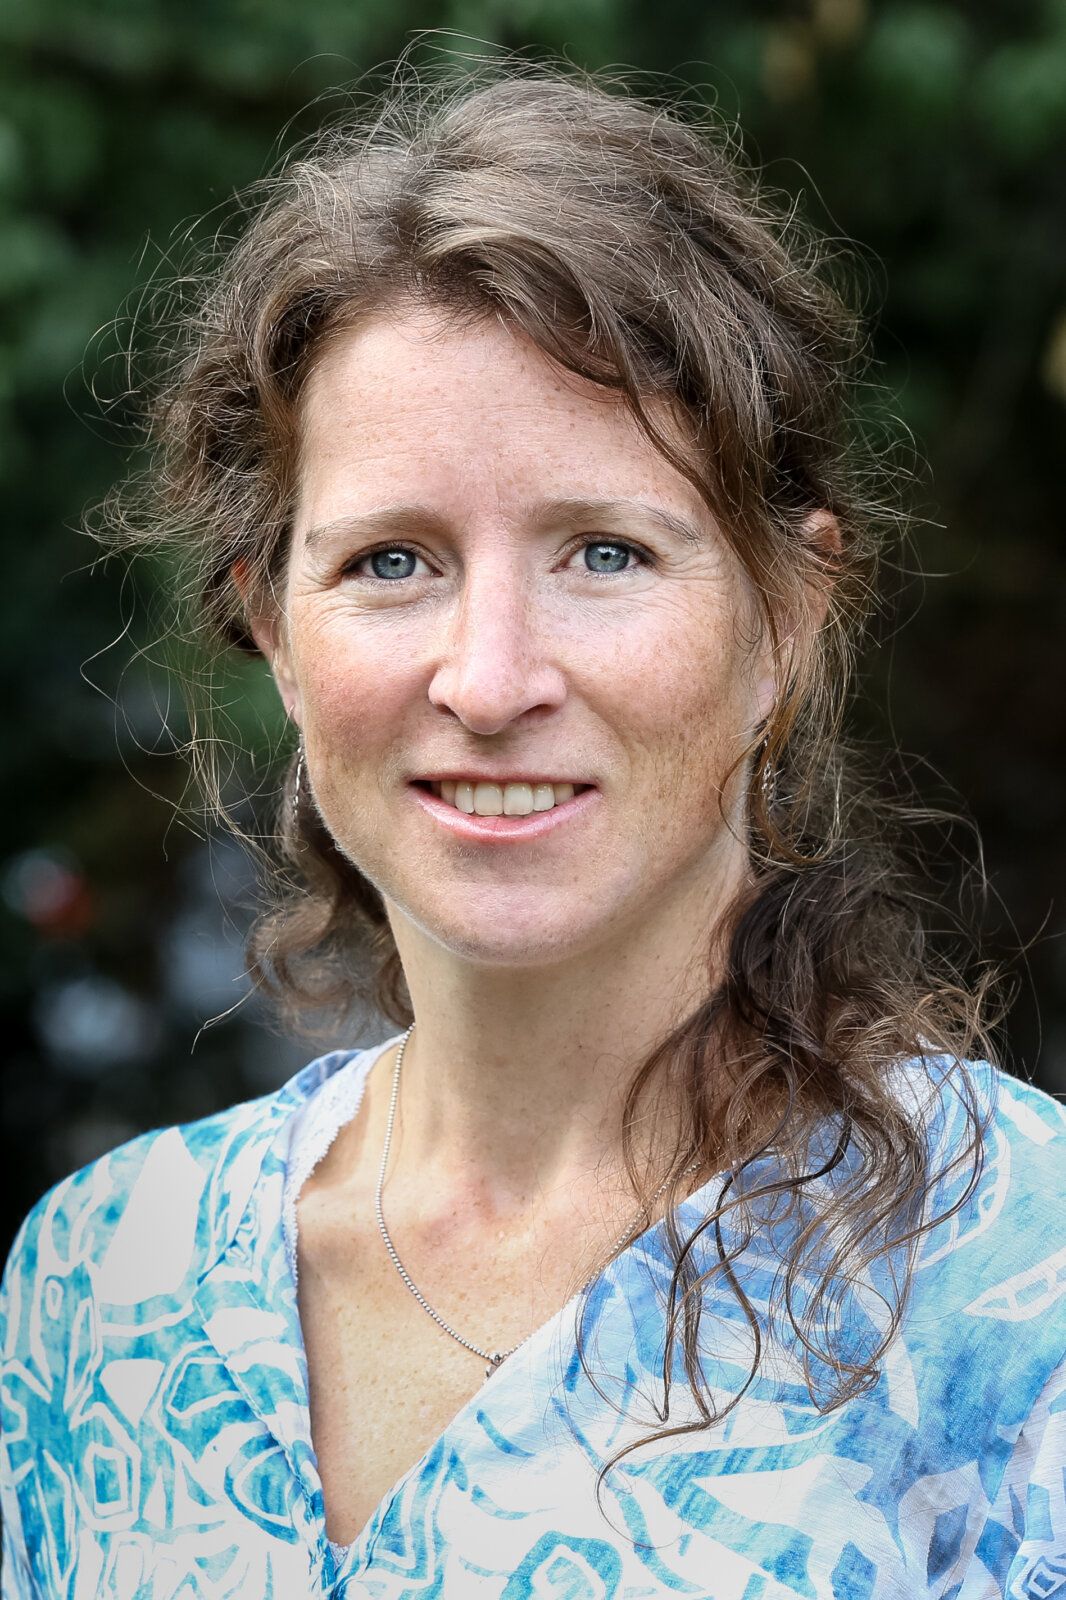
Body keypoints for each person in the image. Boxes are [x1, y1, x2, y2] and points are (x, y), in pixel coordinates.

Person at [1, 57, 1063, 1600]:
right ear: (275, 630)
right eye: (390, 562)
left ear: (784, 617)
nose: (490, 680)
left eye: (604, 554)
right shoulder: (104, 1284)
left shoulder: (1013, 1287)